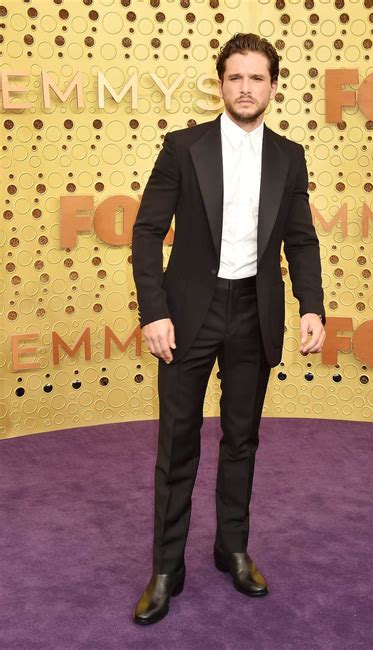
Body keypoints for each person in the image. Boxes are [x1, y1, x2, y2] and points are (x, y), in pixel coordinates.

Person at [131, 32, 326, 625]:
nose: (246, 88)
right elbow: (145, 233)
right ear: (221, 83)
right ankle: (167, 567)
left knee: (243, 439)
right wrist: (153, 311)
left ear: (273, 86)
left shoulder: (290, 156)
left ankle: (231, 548)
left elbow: (301, 238)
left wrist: (312, 306)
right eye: (235, 77)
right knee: (177, 442)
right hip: (189, 311)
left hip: (254, 310)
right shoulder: (182, 147)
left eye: (257, 78)